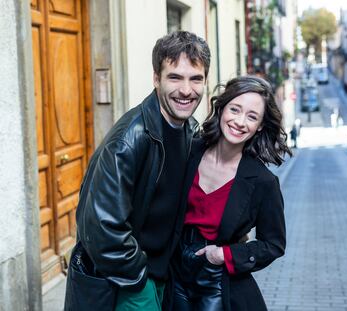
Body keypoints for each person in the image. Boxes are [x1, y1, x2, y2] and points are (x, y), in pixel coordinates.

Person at [64, 31, 210, 311]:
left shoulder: (189, 130)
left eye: (196, 79)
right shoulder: (129, 139)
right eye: (175, 77)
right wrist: (139, 277)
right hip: (130, 282)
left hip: (161, 274)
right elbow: (101, 228)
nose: (186, 90)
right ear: (156, 79)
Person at [171, 76, 291, 311]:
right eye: (235, 109)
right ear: (222, 108)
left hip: (217, 281)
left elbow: (274, 244)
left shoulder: (263, 182)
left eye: (252, 116)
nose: (240, 121)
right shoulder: (189, 151)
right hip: (174, 274)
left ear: (259, 127)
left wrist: (224, 254)